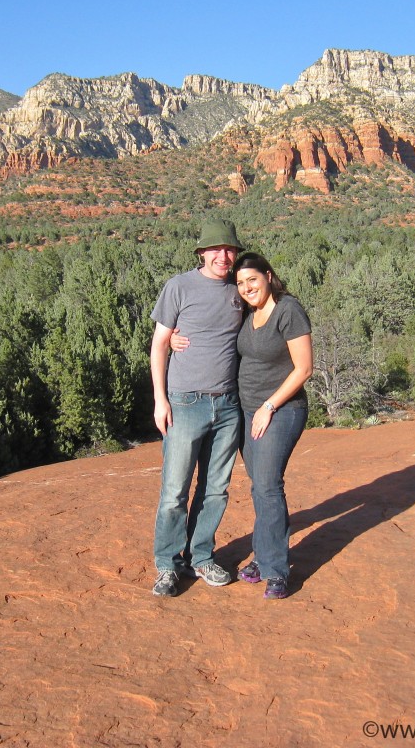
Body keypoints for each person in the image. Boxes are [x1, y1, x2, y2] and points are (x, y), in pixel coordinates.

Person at [149, 218, 245, 597]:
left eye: (230, 249)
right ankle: (168, 565)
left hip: (228, 405)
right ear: (202, 252)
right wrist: (160, 399)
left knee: (216, 489)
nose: (224, 256)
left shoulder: (241, 288)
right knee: (175, 489)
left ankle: (200, 556)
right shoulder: (178, 286)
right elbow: (159, 345)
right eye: (217, 249)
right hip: (185, 402)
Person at [231, 252, 313, 599]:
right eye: (240, 283)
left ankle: (277, 570)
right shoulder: (250, 313)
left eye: (252, 279)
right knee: (259, 487)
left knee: (267, 486)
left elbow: (304, 368)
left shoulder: (287, 309)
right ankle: (264, 559)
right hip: (247, 411)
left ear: (268, 275)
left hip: (280, 410)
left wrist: (268, 406)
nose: (247, 287)